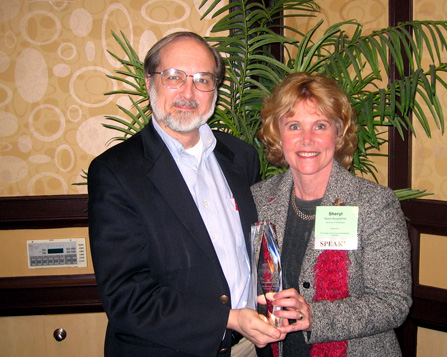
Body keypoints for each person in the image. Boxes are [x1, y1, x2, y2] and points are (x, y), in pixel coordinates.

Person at [88, 31, 284, 356]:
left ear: (215, 90)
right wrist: (229, 319)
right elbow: (127, 296)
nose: (188, 92)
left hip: (251, 347)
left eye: (202, 79)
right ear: (150, 81)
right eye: (174, 77)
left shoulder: (242, 158)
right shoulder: (116, 173)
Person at [251, 72, 412, 356]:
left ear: (338, 132)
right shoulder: (260, 198)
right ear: (278, 134)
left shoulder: (374, 204)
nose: (307, 139)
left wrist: (314, 315)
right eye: (294, 126)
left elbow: (393, 302)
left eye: (320, 126)